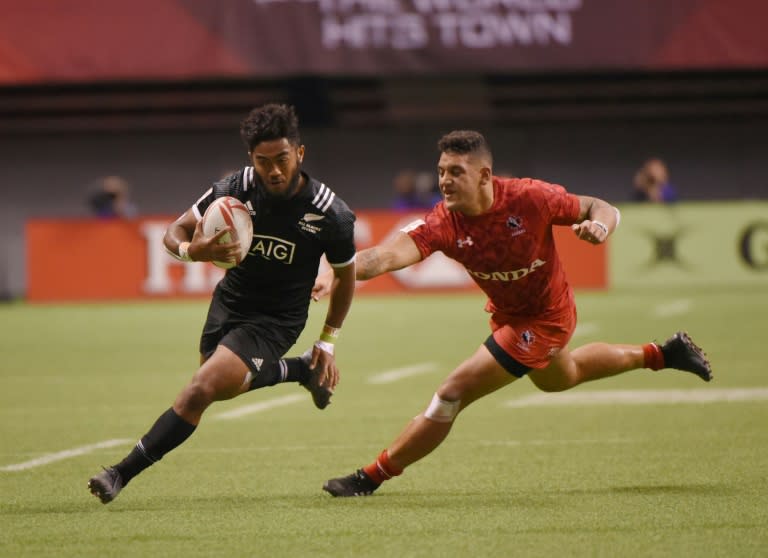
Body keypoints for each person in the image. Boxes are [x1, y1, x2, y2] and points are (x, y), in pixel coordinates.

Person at [314, 130, 711, 497]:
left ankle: (370, 477)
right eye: (440, 172)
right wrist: (335, 270)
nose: (444, 181)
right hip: (509, 315)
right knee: (561, 377)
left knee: (452, 394)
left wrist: (600, 227)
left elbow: (598, 206)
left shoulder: (529, 198)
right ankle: (663, 353)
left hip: (546, 317)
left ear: (484, 175)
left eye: (456, 172)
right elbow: (386, 255)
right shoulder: (444, 221)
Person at [87, 103, 357, 504]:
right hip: (230, 303)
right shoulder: (237, 187)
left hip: (277, 318)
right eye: (264, 161)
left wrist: (328, 339)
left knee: (200, 390)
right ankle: (299, 370)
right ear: (252, 159)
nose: (275, 171)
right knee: (223, 386)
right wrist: (188, 251)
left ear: (300, 153)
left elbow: (347, 276)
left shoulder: (329, 213)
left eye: (283, 159)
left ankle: (120, 473)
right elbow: (175, 231)